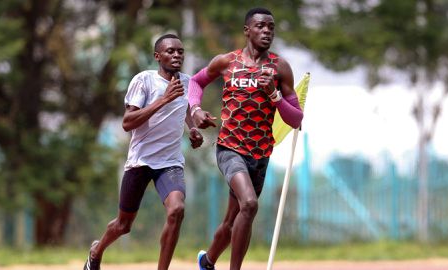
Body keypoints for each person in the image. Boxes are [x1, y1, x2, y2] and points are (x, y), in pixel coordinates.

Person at [188, 7, 304, 270]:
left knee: (234, 219)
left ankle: (206, 262)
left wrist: (273, 94)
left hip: (260, 153)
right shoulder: (227, 62)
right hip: (230, 147)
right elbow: (195, 83)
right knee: (249, 205)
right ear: (247, 30)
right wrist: (195, 110)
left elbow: (296, 119)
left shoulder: (280, 67)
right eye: (261, 26)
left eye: (271, 28)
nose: (266, 32)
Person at [83, 34, 203, 270]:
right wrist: (163, 99)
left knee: (177, 210)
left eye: (180, 51)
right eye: (170, 51)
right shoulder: (144, 81)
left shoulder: (188, 83)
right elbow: (127, 122)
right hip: (140, 162)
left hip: (169, 162)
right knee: (123, 225)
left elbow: (187, 108)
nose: (177, 55)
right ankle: (96, 251)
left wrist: (194, 129)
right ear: (157, 56)